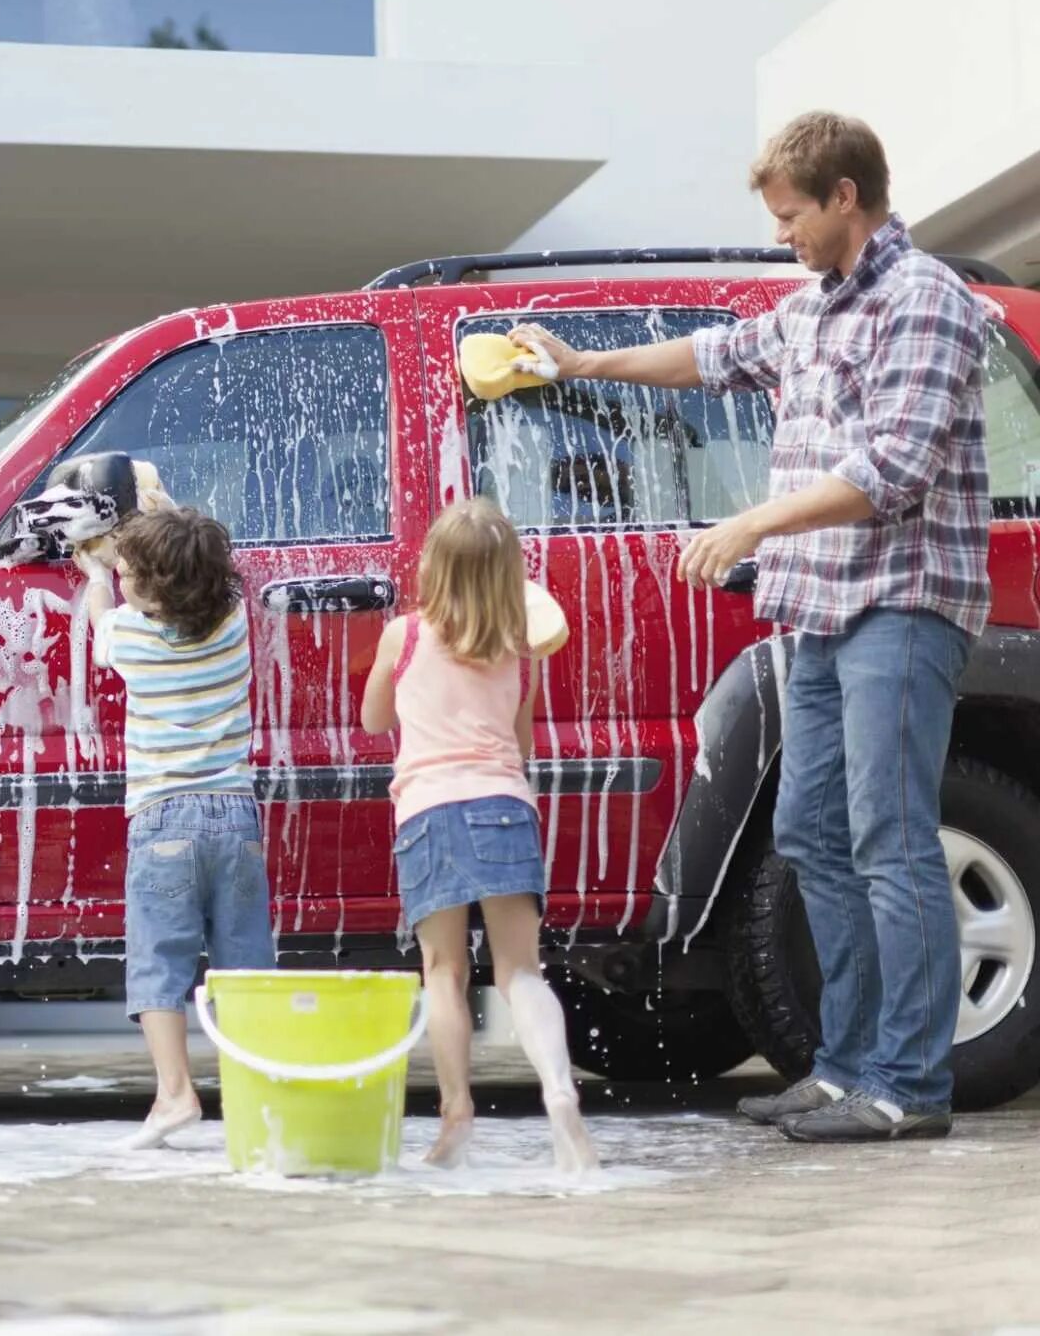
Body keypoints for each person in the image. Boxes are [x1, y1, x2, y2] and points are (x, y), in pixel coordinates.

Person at [511, 112, 987, 1144]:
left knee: (890, 839)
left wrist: (748, 522)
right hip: (813, 610)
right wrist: (578, 364)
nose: (781, 235)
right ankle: (845, 1067)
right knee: (811, 836)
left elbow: (892, 472)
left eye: (789, 217)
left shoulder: (921, 301)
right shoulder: (811, 308)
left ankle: (908, 1086)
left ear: (844, 198)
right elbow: (709, 356)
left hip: (898, 606)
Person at [360, 497, 598, 1172]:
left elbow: (375, 718)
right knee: (522, 971)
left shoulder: (403, 636)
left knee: (444, 972)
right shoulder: (520, 649)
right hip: (503, 805)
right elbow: (517, 743)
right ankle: (559, 1090)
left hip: (429, 812)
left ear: (433, 567)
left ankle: (457, 1110)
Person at [77, 506, 274, 1150]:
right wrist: (151, 535)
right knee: (244, 961)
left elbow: (100, 616)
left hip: (163, 818)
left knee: (159, 961)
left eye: (129, 571)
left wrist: (95, 569)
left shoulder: (130, 638)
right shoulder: (235, 624)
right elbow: (189, 563)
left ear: (150, 590)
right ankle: (254, 1098)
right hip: (236, 817)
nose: (121, 575)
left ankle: (174, 1093)